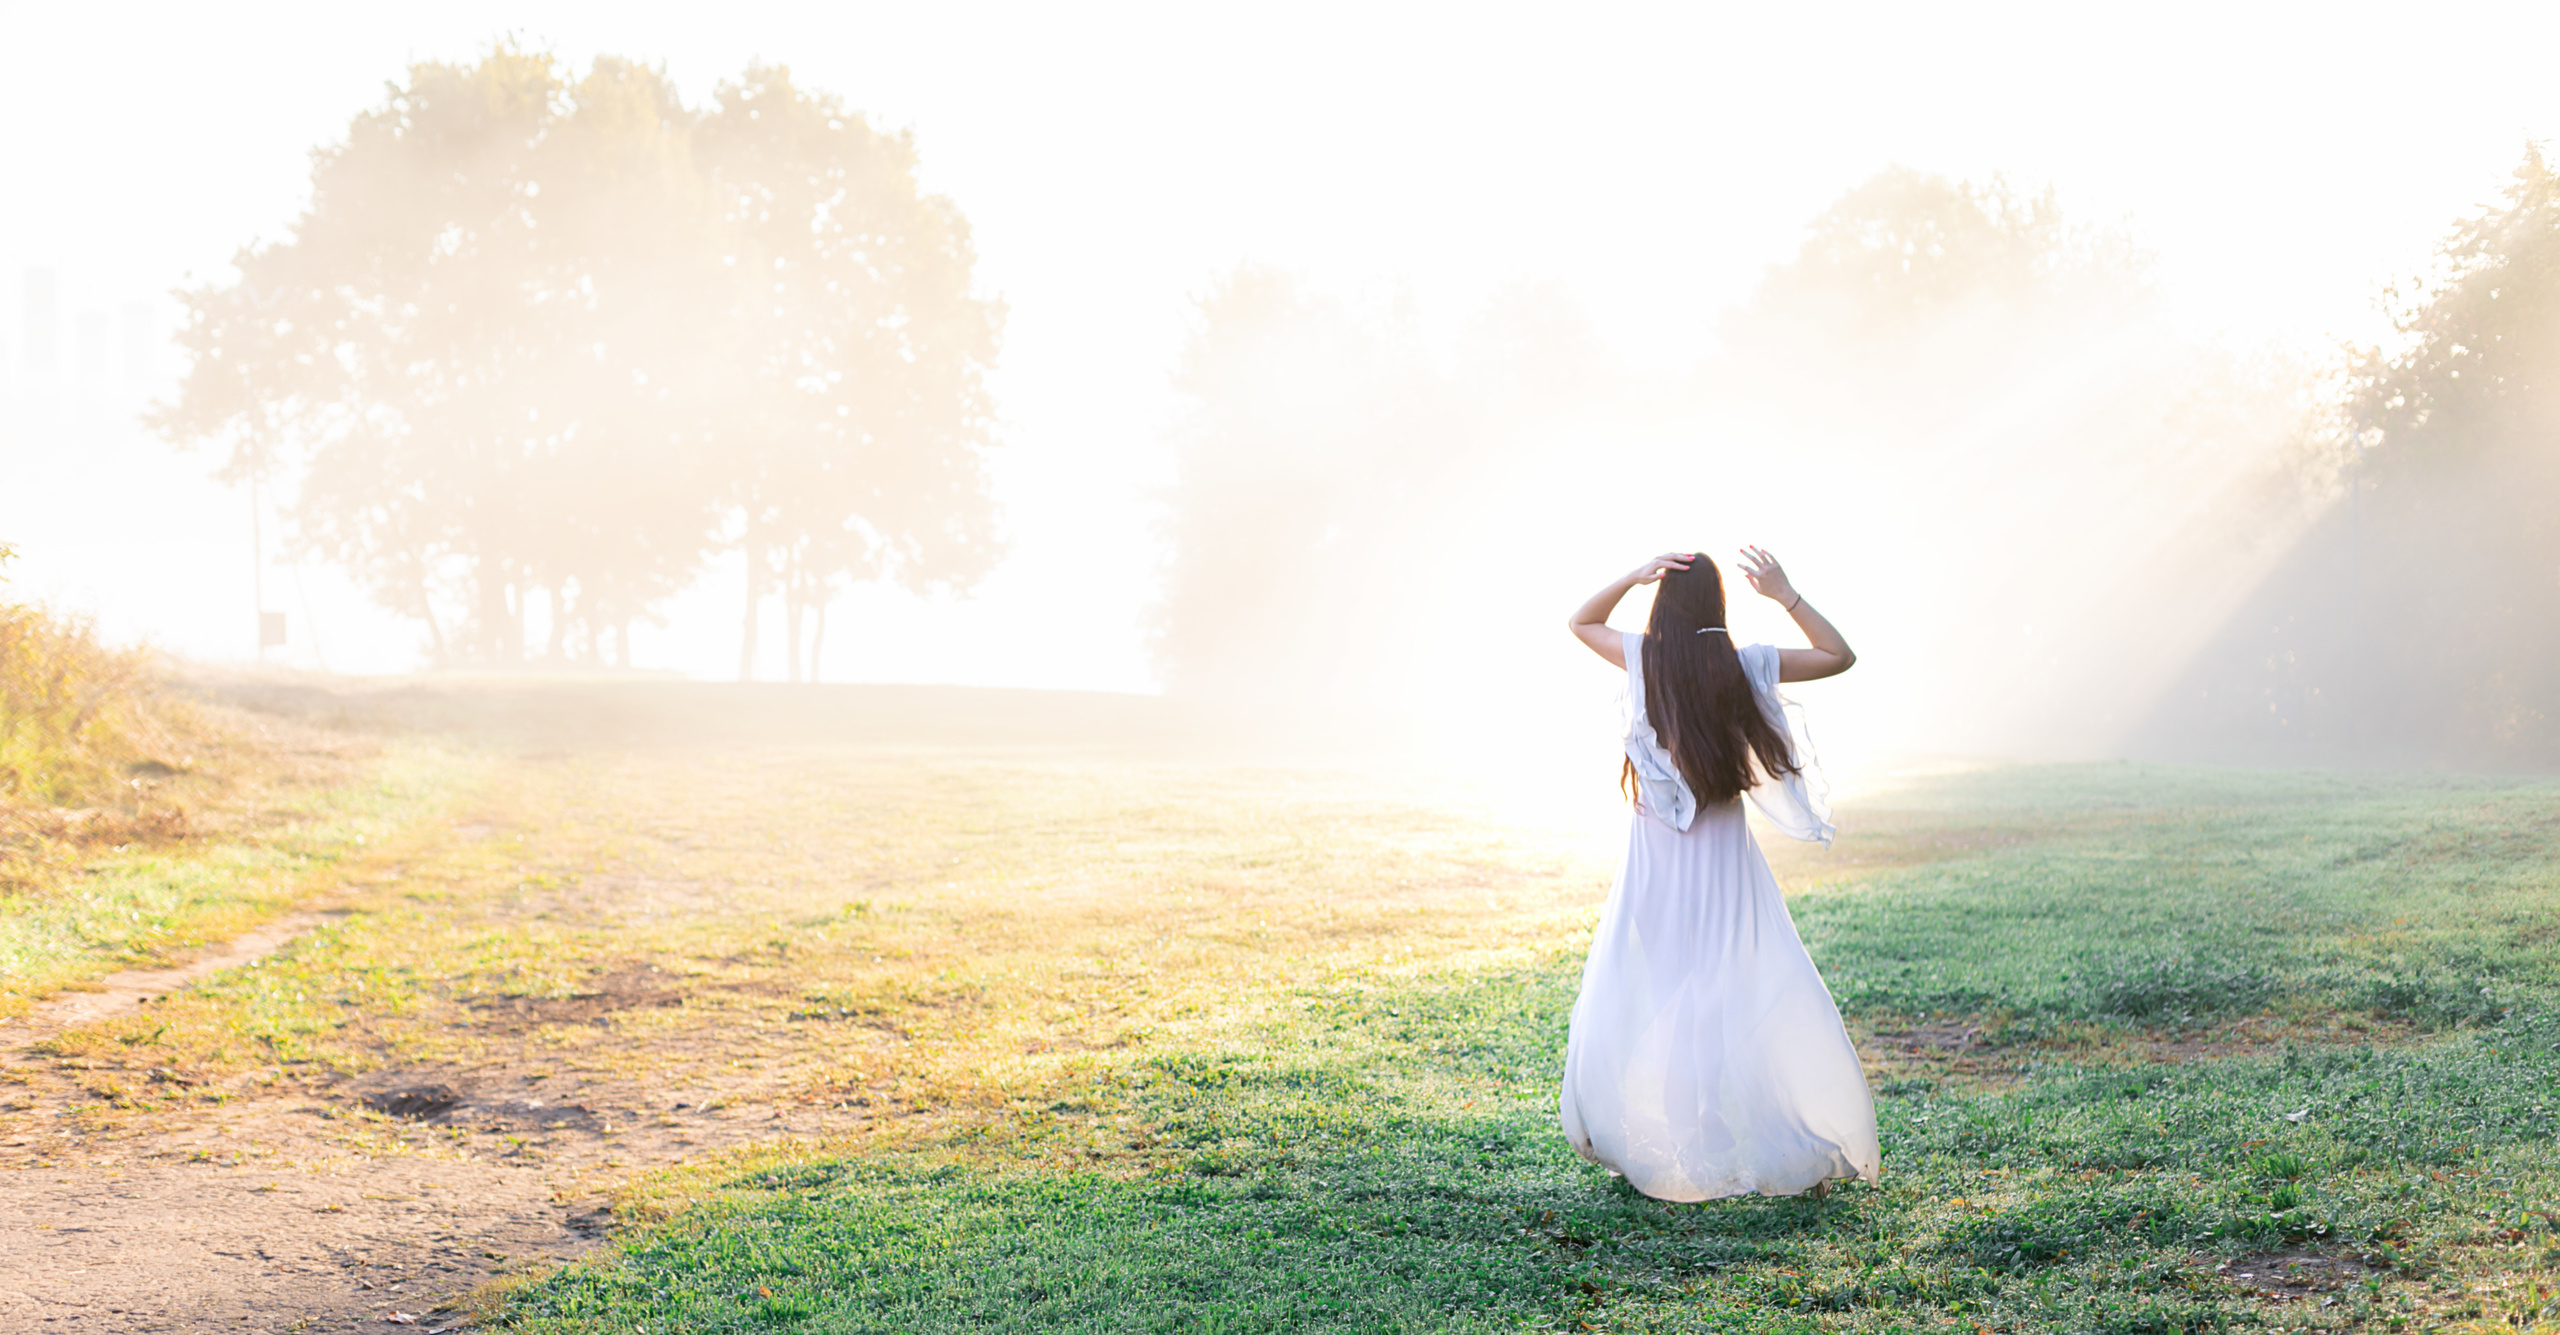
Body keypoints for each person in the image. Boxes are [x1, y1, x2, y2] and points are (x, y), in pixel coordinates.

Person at [1557, 547, 1880, 1201]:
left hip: (1657, 863)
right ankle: (1703, 1123)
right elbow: (1837, 654)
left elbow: (1579, 622)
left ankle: (1691, 1129)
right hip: (1724, 858)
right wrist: (1785, 594)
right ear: (1717, 606)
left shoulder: (1645, 657)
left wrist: (1631, 574)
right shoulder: (1744, 663)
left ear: (1662, 605)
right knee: (1714, 989)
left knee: (1676, 991)